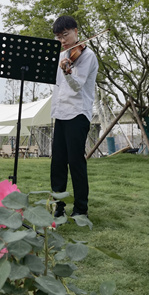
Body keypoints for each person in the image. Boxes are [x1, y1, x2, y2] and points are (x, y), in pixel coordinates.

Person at [50, 16, 98, 219]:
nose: (63, 40)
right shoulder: (61, 54)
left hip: (78, 113)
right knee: (58, 162)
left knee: (76, 162)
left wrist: (68, 72)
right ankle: (57, 207)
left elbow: (77, 86)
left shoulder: (87, 55)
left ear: (76, 32)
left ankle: (81, 209)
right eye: (59, 37)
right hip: (60, 113)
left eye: (66, 35)